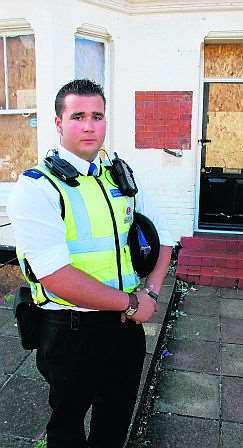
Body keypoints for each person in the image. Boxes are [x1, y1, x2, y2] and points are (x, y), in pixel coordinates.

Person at [8, 79, 173, 448]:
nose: (88, 125)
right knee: (66, 426)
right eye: (78, 115)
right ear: (58, 122)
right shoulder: (38, 187)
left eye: (97, 116)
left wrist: (151, 291)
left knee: (115, 423)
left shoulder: (121, 175)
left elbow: (166, 239)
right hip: (71, 332)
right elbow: (56, 277)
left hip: (123, 328)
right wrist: (133, 303)